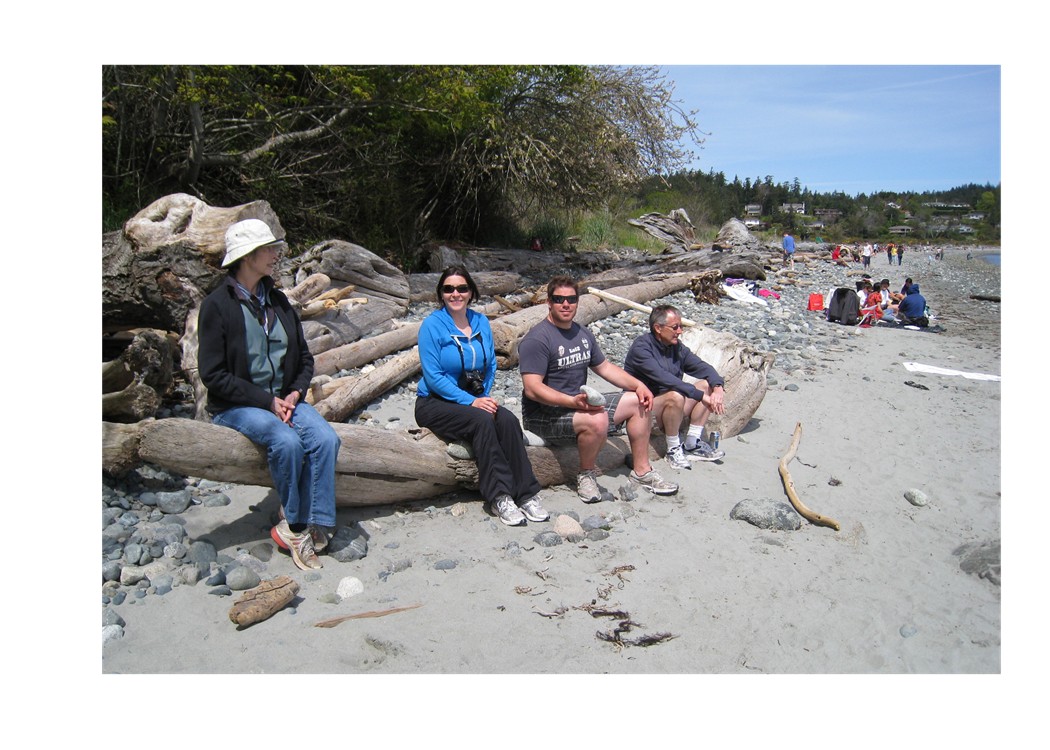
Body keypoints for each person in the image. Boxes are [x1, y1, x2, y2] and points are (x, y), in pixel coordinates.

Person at [198, 219, 339, 571]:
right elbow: (212, 375)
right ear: (247, 256)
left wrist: (294, 392)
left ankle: (314, 521)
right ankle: (294, 526)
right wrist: (266, 402)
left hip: (284, 399)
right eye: (269, 248)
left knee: (326, 439)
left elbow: (305, 358)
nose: (276, 254)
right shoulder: (217, 305)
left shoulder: (277, 300)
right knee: (286, 443)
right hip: (238, 405)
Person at [518, 276, 678, 502]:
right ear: (549, 302)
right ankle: (586, 475)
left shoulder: (581, 333)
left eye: (571, 299)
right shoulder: (538, 339)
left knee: (637, 400)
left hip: (577, 406)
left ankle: (642, 471)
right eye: (559, 299)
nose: (566, 304)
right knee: (598, 419)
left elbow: (604, 367)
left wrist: (638, 385)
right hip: (544, 415)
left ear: (577, 302)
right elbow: (533, 389)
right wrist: (573, 403)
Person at [414, 267, 547, 527]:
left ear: (471, 292)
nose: (455, 294)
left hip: (471, 397)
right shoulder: (432, 325)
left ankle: (526, 493)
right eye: (449, 289)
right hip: (434, 402)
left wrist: (482, 395)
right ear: (441, 294)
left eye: (462, 288)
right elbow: (433, 376)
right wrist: (472, 402)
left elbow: (490, 365)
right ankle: (499, 495)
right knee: (482, 421)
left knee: (507, 420)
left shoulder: (480, 322)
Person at [623, 305, 727, 471]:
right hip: (644, 411)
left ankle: (692, 443)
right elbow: (666, 380)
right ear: (658, 328)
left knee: (707, 385)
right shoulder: (641, 348)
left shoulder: (677, 348)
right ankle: (673, 449)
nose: (680, 331)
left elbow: (704, 368)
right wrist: (700, 396)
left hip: (672, 407)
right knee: (675, 394)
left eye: (681, 326)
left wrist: (718, 388)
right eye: (675, 327)